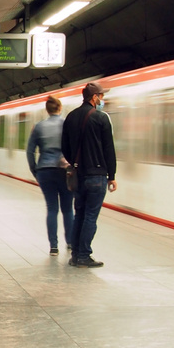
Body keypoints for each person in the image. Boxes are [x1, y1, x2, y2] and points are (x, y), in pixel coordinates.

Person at [61, 82, 117, 268]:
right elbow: (109, 149)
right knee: (91, 216)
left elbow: (65, 147)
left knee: (80, 214)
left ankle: (76, 254)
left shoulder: (71, 117)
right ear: (94, 98)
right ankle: (84, 255)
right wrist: (112, 175)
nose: (102, 100)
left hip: (79, 175)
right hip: (97, 175)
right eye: (101, 96)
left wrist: (76, 164)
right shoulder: (101, 118)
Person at [26, 96, 73, 255]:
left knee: (52, 208)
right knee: (67, 209)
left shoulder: (39, 127)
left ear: (47, 110)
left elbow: (30, 151)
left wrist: (35, 170)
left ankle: (53, 246)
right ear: (59, 108)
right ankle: (71, 243)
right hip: (64, 171)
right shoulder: (67, 124)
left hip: (45, 171)